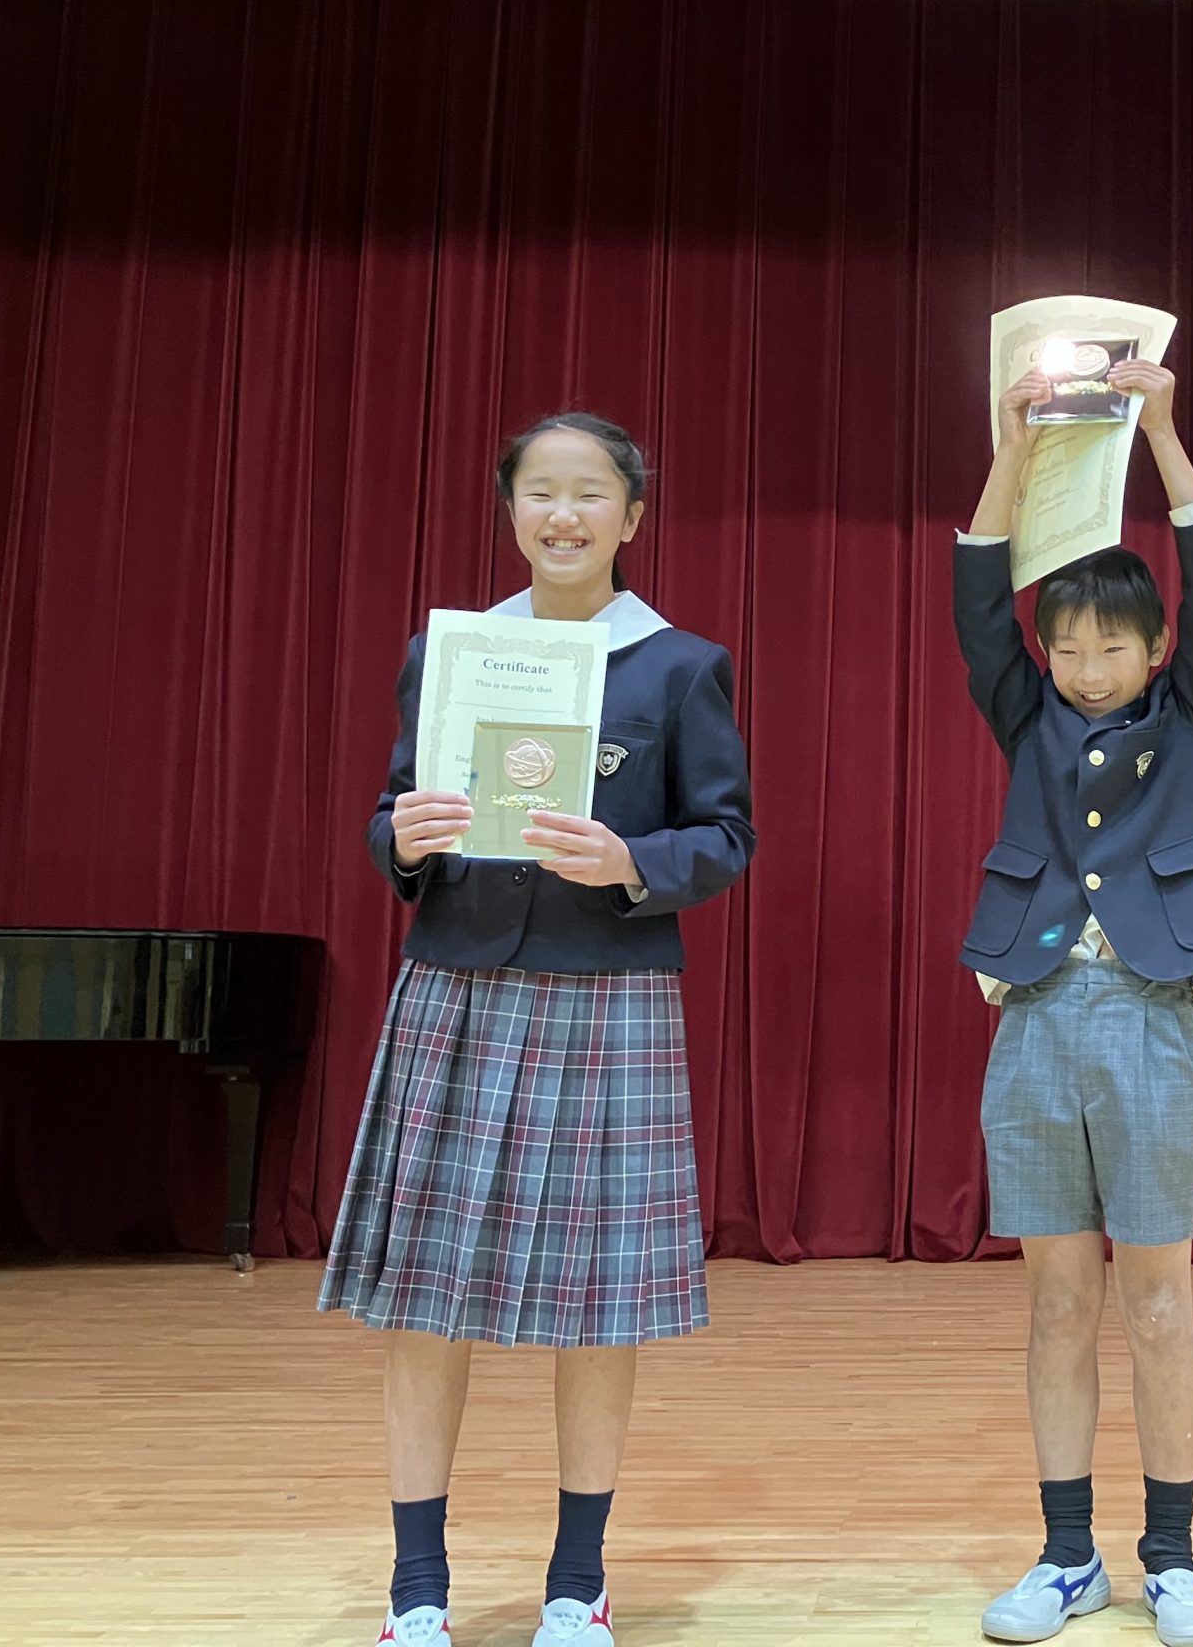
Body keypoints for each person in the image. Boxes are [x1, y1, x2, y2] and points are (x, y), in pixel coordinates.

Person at [321, 412, 756, 1647]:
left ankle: (579, 1580)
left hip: (609, 995)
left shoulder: (679, 666)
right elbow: (393, 810)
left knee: (598, 1306)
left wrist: (631, 861)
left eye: (591, 493)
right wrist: (400, 839)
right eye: (540, 493)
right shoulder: (451, 652)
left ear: (632, 516)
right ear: (511, 511)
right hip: (455, 985)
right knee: (423, 1301)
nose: (564, 515)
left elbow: (726, 835)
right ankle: (417, 1588)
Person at [956, 359, 1193, 1647]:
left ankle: (1173, 1560)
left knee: (1156, 1298)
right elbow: (980, 595)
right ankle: (1066, 1555)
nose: (1086, 668)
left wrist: (1169, 432)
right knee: (1056, 1302)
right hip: (1033, 1015)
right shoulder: (1024, 713)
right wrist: (1013, 448)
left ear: (1154, 649)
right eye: (1069, 647)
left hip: (1150, 1013)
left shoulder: (1190, 716)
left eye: (1112, 647)